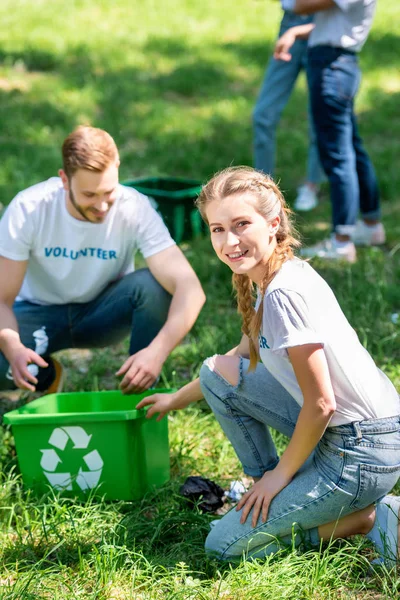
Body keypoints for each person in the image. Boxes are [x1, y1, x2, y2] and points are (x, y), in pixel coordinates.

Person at [137, 167, 400, 565]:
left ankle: (366, 517)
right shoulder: (272, 281)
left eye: (242, 224)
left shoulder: (284, 296)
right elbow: (233, 361)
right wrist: (176, 399)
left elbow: (321, 404)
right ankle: (270, 496)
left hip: (361, 451)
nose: (229, 241)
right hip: (355, 436)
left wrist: (280, 477)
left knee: (222, 547)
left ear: (273, 222)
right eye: (217, 229)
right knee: (215, 371)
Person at [0, 126, 205, 395]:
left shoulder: (135, 207)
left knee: (153, 286)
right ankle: (47, 376)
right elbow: (2, 300)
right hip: (36, 313)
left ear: (117, 169)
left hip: (101, 312)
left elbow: (190, 291)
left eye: (108, 192)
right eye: (88, 195)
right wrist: (14, 349)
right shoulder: (28, 208)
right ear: (64, 180)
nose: (102, 206)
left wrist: (156, 352)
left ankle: (140, 389)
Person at [275, 0, 384, 262]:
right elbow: (332, 24)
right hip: (337, 64)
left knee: (337, 155)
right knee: (352, 148)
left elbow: (300, 6)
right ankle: (371, 226)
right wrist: (296, 32)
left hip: (332, 67)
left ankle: (342, 242)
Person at [253, 3, 325, 212]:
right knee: (262, 115)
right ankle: (263, 187)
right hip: (290, 23)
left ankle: (313, 184)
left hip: (324, 26)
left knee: (319, 119)